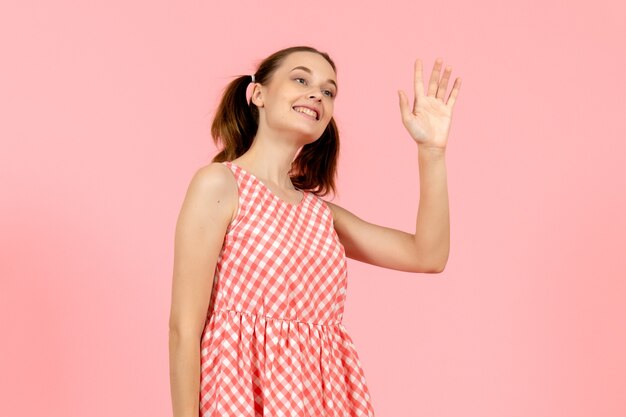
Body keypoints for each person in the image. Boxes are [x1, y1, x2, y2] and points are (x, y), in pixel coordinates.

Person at [169, 45, 461, 417]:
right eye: (301, 79)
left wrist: (432, 151)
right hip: (239, 396)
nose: (316, 95)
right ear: (257, 94)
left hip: (322, 398)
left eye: (328, 91)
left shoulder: (321, 216)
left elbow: (428, 255)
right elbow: (183, 327)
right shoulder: (220, 185)